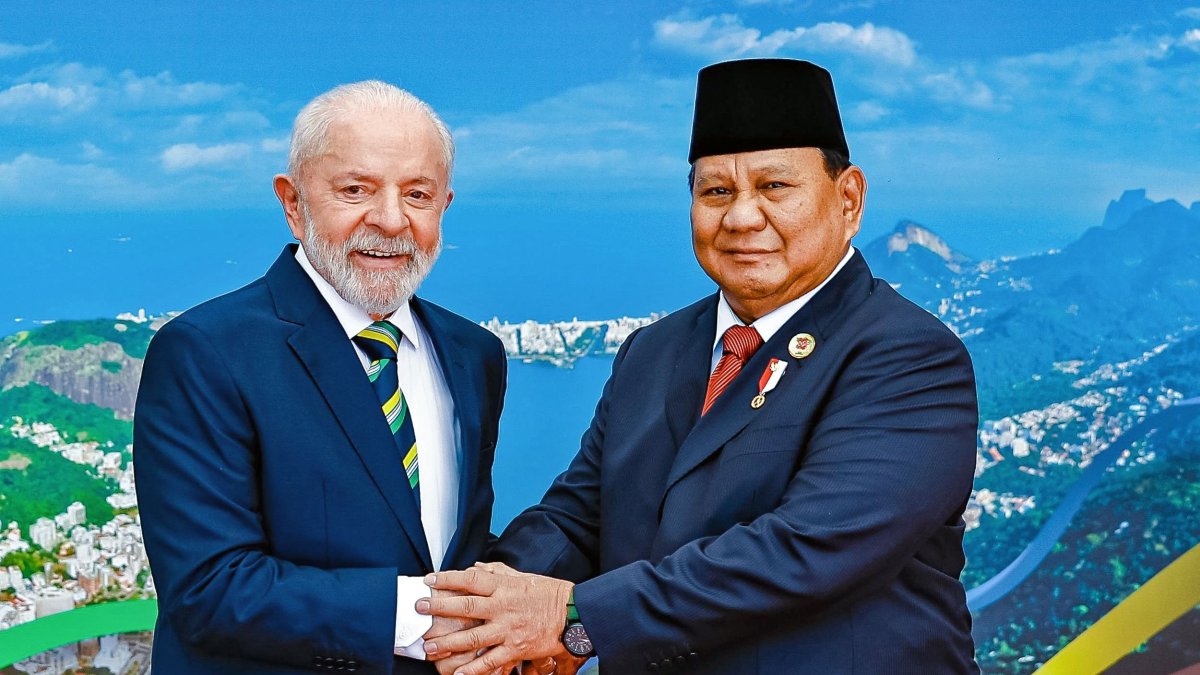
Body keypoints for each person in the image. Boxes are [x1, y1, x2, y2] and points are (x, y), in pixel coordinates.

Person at [419, 58, 980, 674]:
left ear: (848, 199)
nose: (741, 218)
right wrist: (484, 602)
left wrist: (574, 620)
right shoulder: (653, 351)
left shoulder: (908, 355)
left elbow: (802, 552)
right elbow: (579, 515)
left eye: (774, 187)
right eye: (716, 192)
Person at [135, 80, 507, 674]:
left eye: (418, 194)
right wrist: (430, 615)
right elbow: (209, 587)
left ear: (445, 208)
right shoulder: (206, 351)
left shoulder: (473, 354)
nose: (390, 221)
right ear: (292, 203)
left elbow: (455, 544)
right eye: (355, 189)